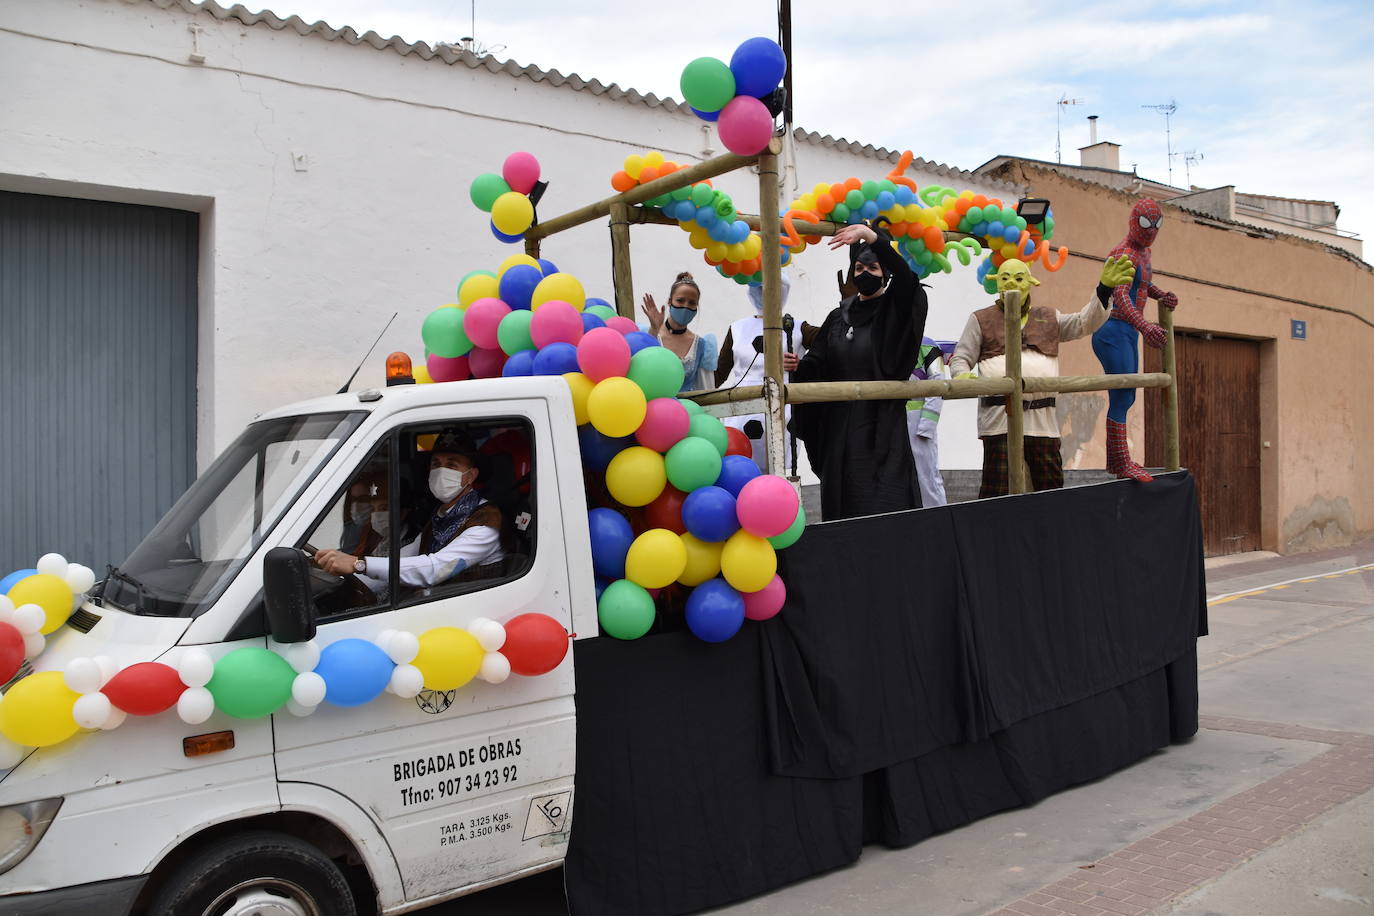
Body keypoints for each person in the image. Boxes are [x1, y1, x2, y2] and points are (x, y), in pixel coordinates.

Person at [950, 255, 1136, 497]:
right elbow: (961, 357)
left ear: (1030, 282)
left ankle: (1049, 535)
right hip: (999, 422)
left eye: (1018, 278)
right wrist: (962, 376)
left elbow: (1083, 323)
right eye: (1005, 278)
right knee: (996, 495)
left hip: (1042, 424)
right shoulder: (980, 319)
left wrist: (1104, 290)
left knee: (1049, 493)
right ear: (997, 283)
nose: (1012, 284)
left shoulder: (1048, 317)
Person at [793, 221, 929, 520]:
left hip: (881, 427)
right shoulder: (838, 316)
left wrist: (872, 238)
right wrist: (798, 367)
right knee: (842, 504)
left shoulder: (897, 308)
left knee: (882, 505)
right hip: (839, 428)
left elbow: (907, 279)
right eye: (859, 269)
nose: (864, 274)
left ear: (886, 273)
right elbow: (819, 361)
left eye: (873, 268)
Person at [313, 432, 504, 587]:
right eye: (436, 464)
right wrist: (345, 580)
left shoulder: (485, 520)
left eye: (451, 465)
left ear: (470, 476)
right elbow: (405, 558)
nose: (440, 471)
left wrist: (359, 564)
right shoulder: (442, 515)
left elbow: (436, 568)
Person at [1093, 199, 1179, 482]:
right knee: (1122, 395)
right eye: (1145, 223)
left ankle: (1119, 462)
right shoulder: (1124, 253)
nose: (1151, 230)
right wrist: (1145, 326)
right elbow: (1120, 296)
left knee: (1126, 396)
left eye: (1156, 224)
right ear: (1134, 222)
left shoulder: (1144, 254)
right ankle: (1121, 463)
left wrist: (1161, 295)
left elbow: (1142, 285)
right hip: (1114, 328)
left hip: (1127, 331)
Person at [713, 271, 806, 471]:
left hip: (783, 417)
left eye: (772, 288)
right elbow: (717, 375)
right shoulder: (737, 329)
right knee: (741, 470)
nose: (766, 293)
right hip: (740, 414)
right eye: (761, 288)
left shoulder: (798, 328)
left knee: (778, 474)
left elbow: (831, 348)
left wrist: (801, 366)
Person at [640, 271, 719, 392]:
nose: (685, 306)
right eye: (680, 300)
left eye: (692, 303)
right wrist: (654, 329)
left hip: (687, 410)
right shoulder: (650, 334)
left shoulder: (702, 345)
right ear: (669, 302)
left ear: (696, 308)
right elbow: (641, 368)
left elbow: (707, 391)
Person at [905, 337, 948, 507]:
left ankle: (938, 520)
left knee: (927, 476)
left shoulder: (927, 345)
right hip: (890, 422)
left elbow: (938, 383)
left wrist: (926, 426)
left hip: (918, 422)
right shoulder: (881, 339)